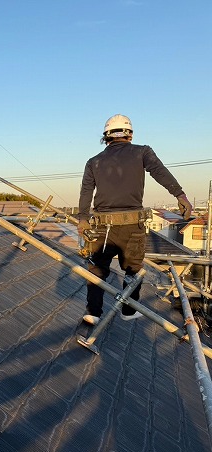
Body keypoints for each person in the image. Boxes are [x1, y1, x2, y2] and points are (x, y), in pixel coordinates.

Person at [77, 114, 193, 326]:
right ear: (129, 135)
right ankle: (129, 310)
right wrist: (180, 195)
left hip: (102, 228)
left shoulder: (93, 162)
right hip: (132, 226)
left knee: (96, 269)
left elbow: (86, 192)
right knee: (133, 270)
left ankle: (93, 312)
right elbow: (160, 172)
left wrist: (82, 219)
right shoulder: (142, 152)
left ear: (106, 137)